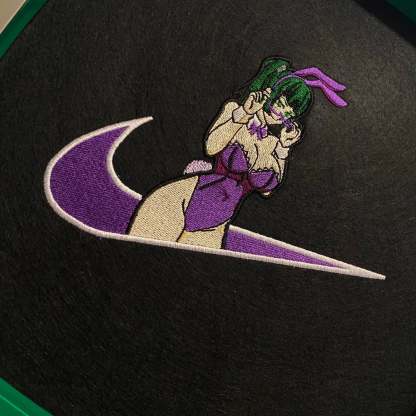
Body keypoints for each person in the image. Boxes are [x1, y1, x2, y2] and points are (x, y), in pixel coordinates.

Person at [128, 57, 347, 248]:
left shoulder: (275, 143)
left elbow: (268, 190)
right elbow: (212, 146)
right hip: (179, 200)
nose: (281, 114)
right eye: (281, 103)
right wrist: (244, 114)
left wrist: (284, 149)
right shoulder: (235, 110)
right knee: (135, 253)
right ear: (270, 93)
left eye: (289, 112)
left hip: (215, 224)